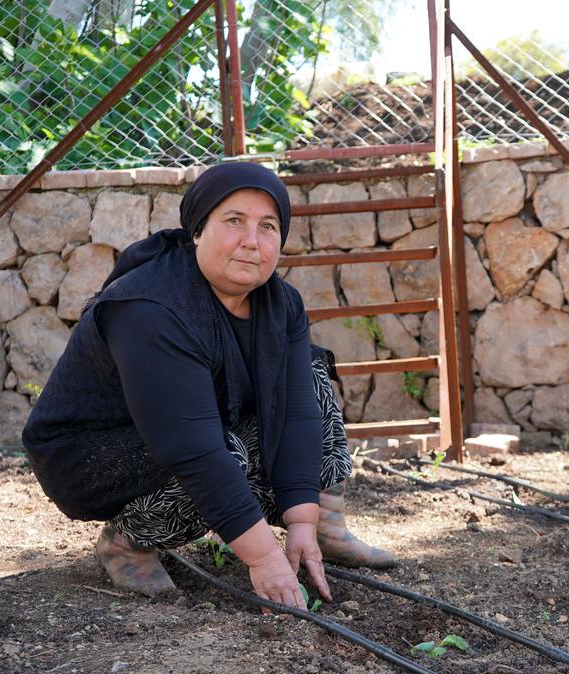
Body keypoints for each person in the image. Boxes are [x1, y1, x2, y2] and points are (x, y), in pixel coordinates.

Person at [23, 162, 394, 610]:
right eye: (234, 221)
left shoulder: (281, 303)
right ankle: (128, 542)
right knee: (224, 451)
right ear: (198, 230)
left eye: (268, 226)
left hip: (195, 431)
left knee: (313, 378)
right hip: (89, 455)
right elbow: (192, 448)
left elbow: (296, 412)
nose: (251, 241)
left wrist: (302, 522)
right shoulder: (151, 307)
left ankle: (326, 529)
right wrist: (264, 559)